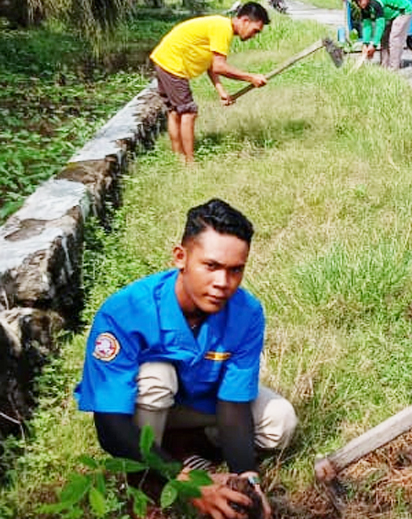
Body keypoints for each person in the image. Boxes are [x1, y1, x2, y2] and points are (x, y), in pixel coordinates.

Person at [75, 199, 298, 519]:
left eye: (235, 269)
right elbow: (110, 423)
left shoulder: (246, 312)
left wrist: (249, 480)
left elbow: (233, 404)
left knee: (280, 420)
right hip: (143, 411)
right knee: (156, 376)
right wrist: (187, 483)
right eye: (211, 266)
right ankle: (150, 478)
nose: (223, 283)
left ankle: (192, 450)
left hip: (204, 406)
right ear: (181, 257)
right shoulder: (126, 311)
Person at [150, 3, 270, 165]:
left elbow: (211, 65)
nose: (253, 35)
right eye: (255, 30)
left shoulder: (220, 26)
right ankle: (190, 164)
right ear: (245, 20)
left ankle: (178, 156)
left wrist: (221, 91)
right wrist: (251, 77)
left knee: (175, 111)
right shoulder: (223, 29)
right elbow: (219, 67)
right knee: (188, 112)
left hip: (164, 59)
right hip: (173, 64)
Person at [354, 0, 412, 70]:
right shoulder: (365, 8)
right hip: (389, 16)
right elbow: (367, 26)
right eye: (357, 1)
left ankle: (393, 68)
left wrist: (374, 45)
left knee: (394, 38)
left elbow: (380, 25)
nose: (360, 3)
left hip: (403, 12)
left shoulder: (376, 3)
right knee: (384, 38)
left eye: (361, 0)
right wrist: (365, 44)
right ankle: (384, 67)